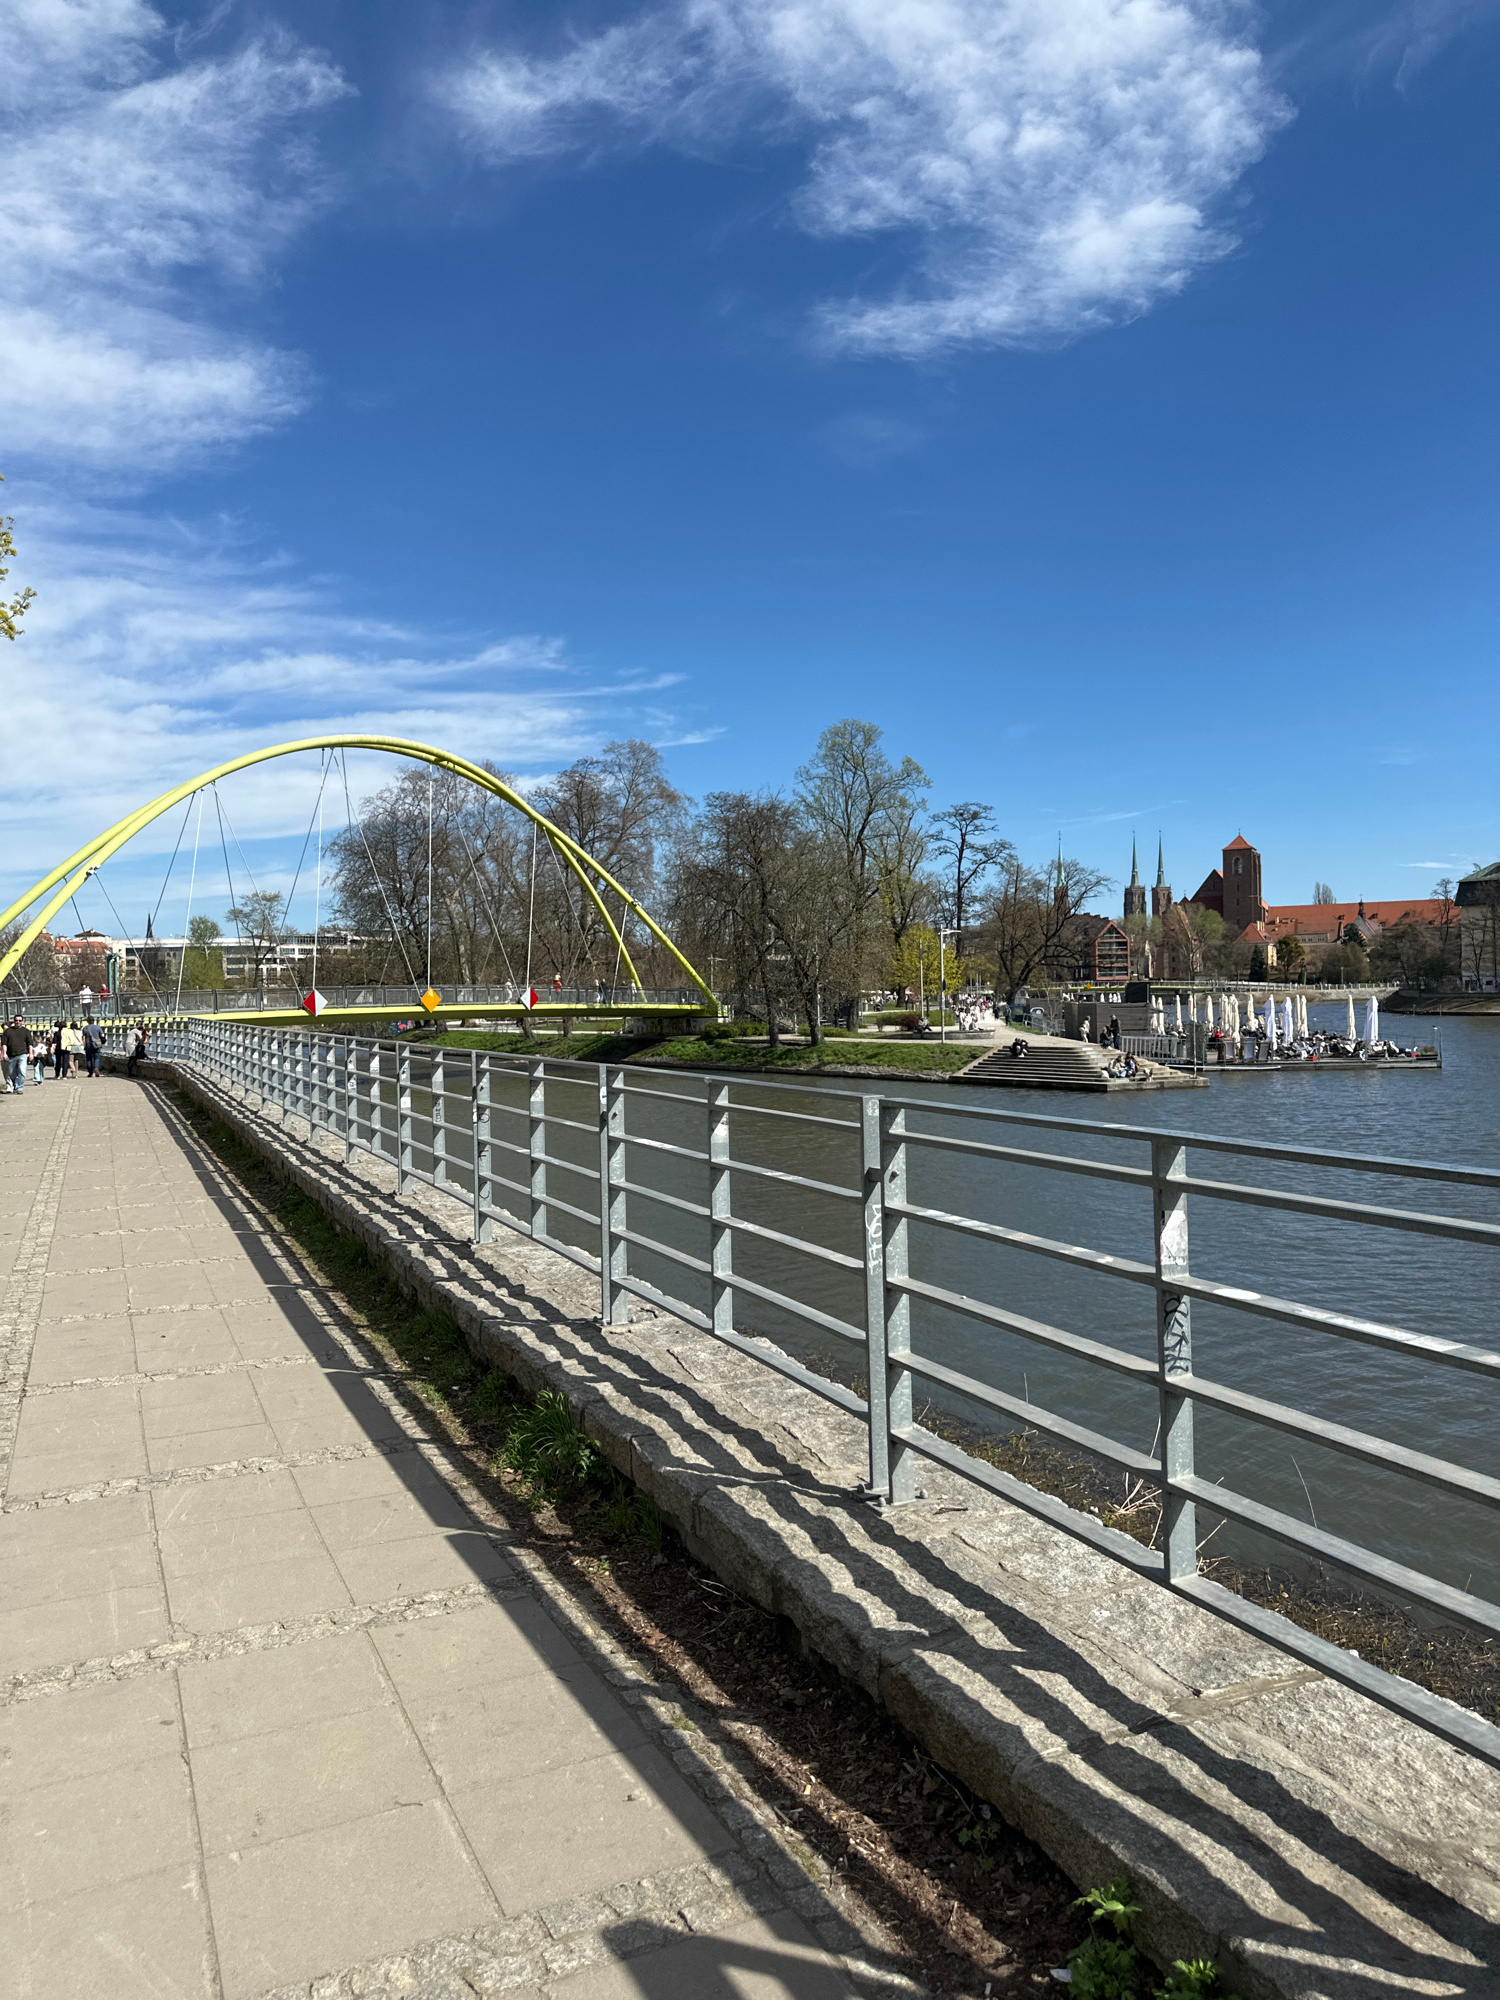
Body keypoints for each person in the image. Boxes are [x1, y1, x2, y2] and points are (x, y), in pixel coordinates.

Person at [3, 1014, 32, 1093]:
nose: (18, 1022)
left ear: (22, 1021)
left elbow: (30, 1044)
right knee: (11, 1073)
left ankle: (19, 1088)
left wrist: (31, 1053)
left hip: (22, 1054)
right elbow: (4, 1044)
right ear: (14, 1021)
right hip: (11, 1055)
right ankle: (15, 1085)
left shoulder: (26, 1031)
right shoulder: (8, 1031)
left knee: (22, 1071)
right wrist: (4, 1053)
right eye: (16, 1020)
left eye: (20, 1020)